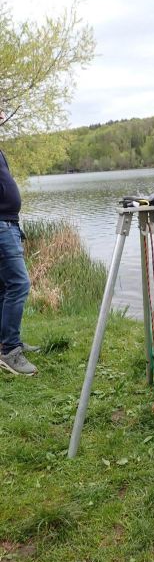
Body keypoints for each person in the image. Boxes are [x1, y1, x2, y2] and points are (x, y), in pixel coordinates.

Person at [0, 110, 39, 375]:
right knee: (19, 284)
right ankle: (10, 351)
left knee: (4, 287)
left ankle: (6, 342)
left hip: (9, 223)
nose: (2, 114)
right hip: (2, 225)